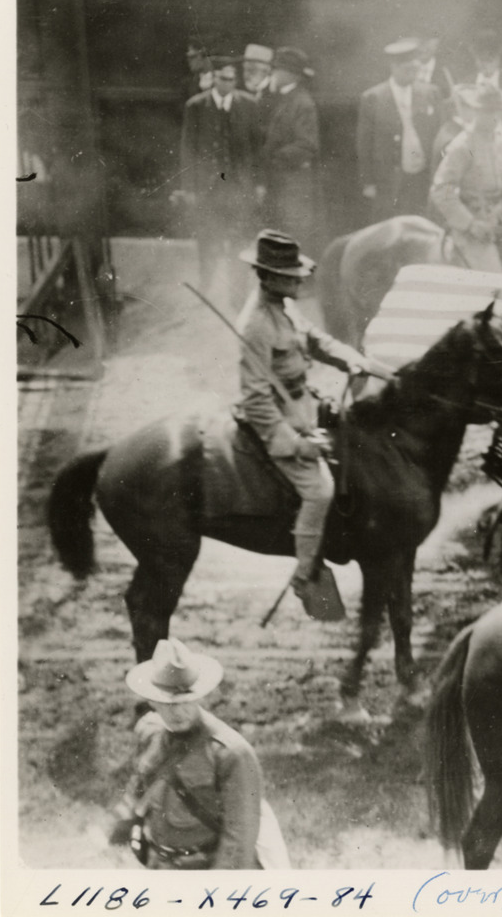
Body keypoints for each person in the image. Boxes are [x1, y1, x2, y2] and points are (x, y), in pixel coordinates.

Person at [233, 230, 387, 616]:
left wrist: (352, 360)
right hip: (277, 419)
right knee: (319, 490)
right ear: (268, 277)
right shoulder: (256, 324)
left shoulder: (285, 306)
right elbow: (256, 399)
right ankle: (305, 576)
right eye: (290, 276)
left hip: (303, 403)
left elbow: (316, 340)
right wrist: (297, 444)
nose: (299, 281)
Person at [110, 638, 284, 871]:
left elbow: (239, 839)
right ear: (153, 702)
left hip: (205, 869)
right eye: (168, 703)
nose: (178, 712)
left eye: (186, 701)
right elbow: (139, 786)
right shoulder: (150, 732)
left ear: (200, 696)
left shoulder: (230, 752)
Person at [173, 55, 264, 310]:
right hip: (207, 188)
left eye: (233, 79)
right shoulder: (196, 106)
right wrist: (189, 187)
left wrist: (259, 183)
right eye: (224, 79)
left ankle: (238, 295)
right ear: (213, 78)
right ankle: (206, 289)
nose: (229, 84)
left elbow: (257, 147)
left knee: (239, 240)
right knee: (207, 239)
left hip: (238, 188)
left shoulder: (248, 105)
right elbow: (188, 149)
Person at [429, 84, 502, 271]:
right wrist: (470, 224)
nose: (495, 117)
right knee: (495, 279)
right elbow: (441, 190)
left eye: (499, 111)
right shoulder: (462, 146)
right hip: (474, 225)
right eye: (488, 111)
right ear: (476, 110)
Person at [356, 37, 443, 220]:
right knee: (391, 223)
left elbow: (439, 135)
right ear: (394, 67)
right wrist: (368, 182)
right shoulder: (373, 98)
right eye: (407, 69)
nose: (412, 74)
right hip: (389, 179)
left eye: (415, 69)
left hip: (422, 176)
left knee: (422, 222)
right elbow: (365, 143)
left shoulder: (430, 92)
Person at [258, 46, 323, 255]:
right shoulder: (282, 98)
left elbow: (307, 145)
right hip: (280, 182)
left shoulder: (302, 103)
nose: (273, 74)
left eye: (277, 70)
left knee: (293, 236)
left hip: (294, 185)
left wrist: (273, 158)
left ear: (291, 74)